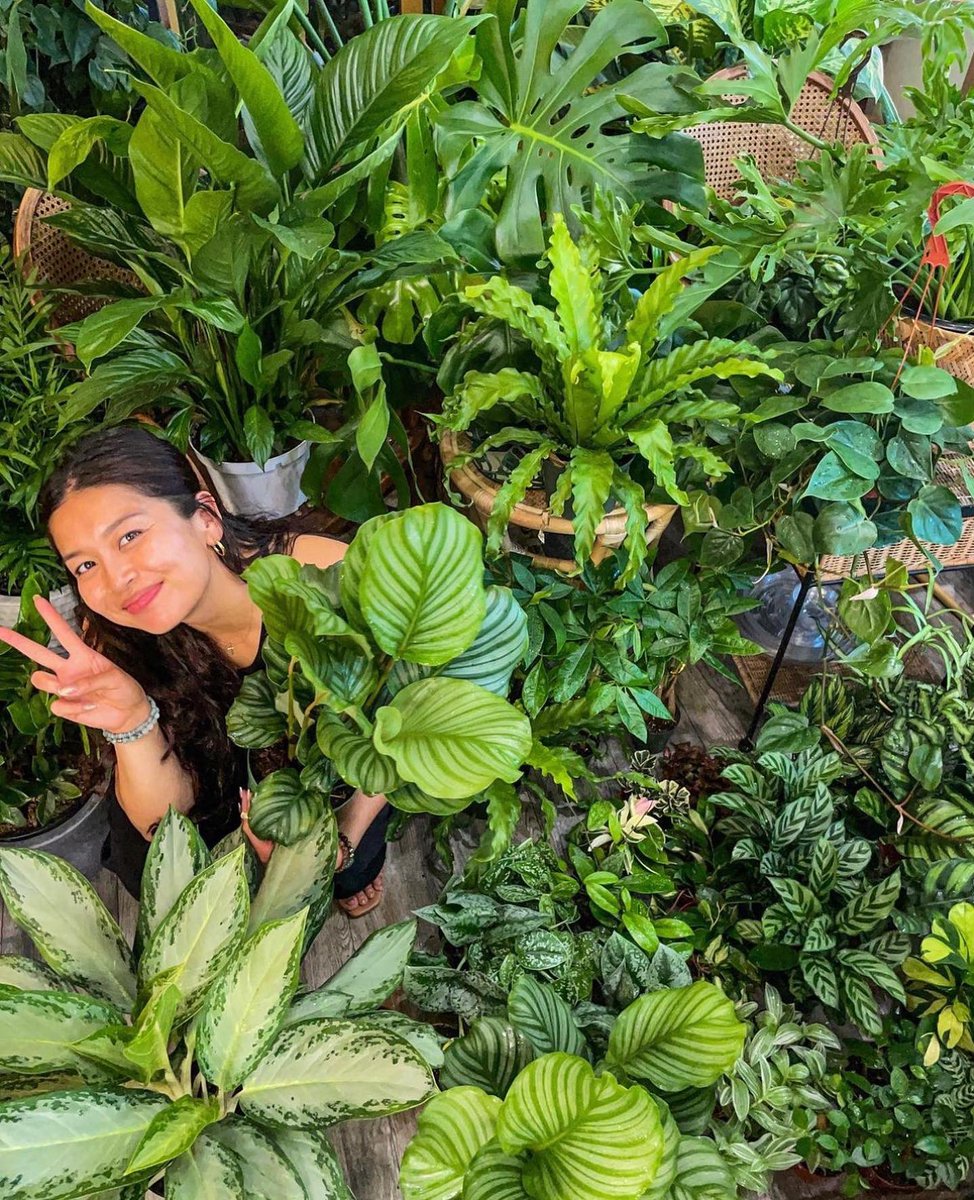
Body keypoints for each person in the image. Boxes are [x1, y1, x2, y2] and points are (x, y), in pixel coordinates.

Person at [0, 426, 390, 915]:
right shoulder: (114, 639)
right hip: (221, 787)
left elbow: (401, 727)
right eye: (84, 566)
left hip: (331, 773)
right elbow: (161, 823)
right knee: (157, 867)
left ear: (205, 519)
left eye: (129, 535)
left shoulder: (318, 579)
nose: (116, 580)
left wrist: (341, 846)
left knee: (353, 861)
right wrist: (131, 723)